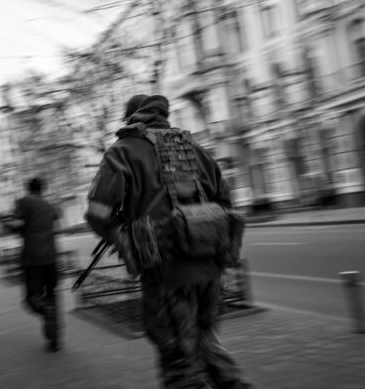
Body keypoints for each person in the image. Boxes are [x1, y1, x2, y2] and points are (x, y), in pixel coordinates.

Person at [85, 95, 254, 388]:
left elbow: (97, 213)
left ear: (131, 119)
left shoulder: (123, 151)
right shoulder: (196, 150)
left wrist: (122, 237)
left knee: (179, 361)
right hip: (210, 272)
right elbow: (225, 203)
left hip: (167, 276)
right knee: (206, 343)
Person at [7, 177, 62, 352]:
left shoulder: (24, 202)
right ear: (42, 189)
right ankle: (54, 341)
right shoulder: (48, 204)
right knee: (52, 297)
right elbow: (56, 215)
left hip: (33, 259)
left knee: (32, 298)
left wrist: (8, 224)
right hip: (51, 258)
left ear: (28, 188)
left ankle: (45, 310)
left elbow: (18, 224)